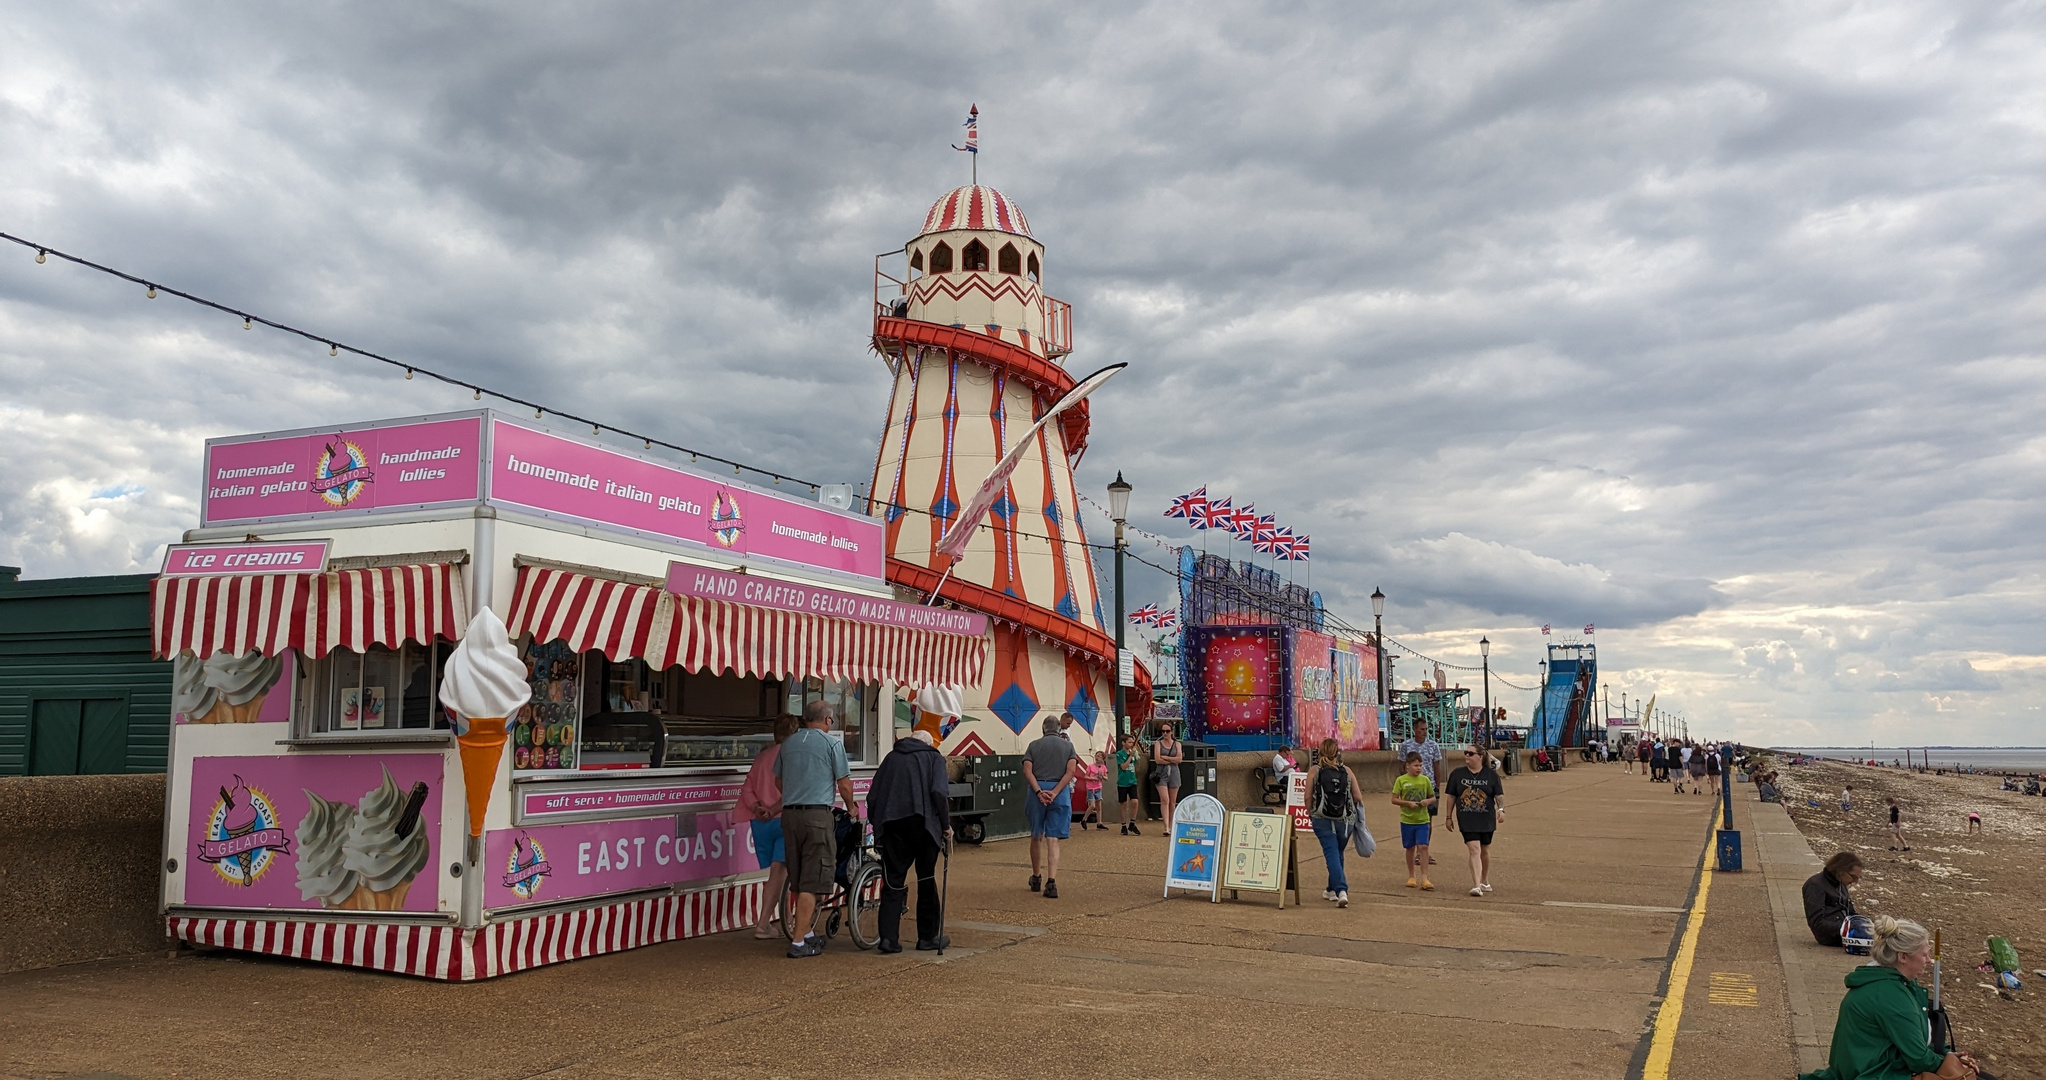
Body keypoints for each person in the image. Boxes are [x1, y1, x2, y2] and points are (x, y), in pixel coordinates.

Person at [1799, 916, 1989, 1080]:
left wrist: (1947, 1054)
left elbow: (1913, 1040)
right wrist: (1948, 1061)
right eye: (1924, 954)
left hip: (1868, 1065)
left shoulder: (1888, 982)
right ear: (1903, 957)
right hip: (1874, 1073)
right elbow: (1918, 1058)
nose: (1929, 960)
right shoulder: (1890, 995)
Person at [775, 701, 860, 959]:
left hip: (790, 815)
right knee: (813, 878)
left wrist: (795, 793)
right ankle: (799, 942)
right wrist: (851, 808)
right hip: (817, 815)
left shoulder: (788, 744)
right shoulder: (832, 744)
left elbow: (778, 780)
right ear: (827, 721)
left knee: (798, 877)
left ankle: (807, 933)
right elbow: (844, 785)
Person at [863, 729, 951, 954]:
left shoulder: (891, 758)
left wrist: (878, 823)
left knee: (893, 880)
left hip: (893, 825)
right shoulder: (933, 758)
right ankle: (927, 937)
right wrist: (945, 825)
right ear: (929, 744)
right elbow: (939, 792)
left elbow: (872, 795)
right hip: (925, 825)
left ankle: (888, 939)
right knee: (926, 878)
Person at [734, 714, 799, 939]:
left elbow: (746, 788)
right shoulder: (791, 757)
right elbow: (792, 790)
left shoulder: (761, 757)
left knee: (778, 873)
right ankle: (763, 924)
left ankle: (786, 917)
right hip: (783, 819)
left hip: (760, 823)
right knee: (779, 873)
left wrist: (757, 808)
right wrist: (773, 809)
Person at [1022, 716, 1080, 899]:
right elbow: (1071, 771)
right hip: (1059, 791)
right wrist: (1054, 792)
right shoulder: (1068, 746)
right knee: (1053, 838)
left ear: (1043, 728)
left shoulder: (1033, 745)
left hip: (1037, 791)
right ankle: (1052, 881)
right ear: (1059, 728)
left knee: (1036, 835)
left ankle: (1036, 876)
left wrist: (1039, 792)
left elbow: (1027, 770)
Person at [1305, 738, 1367, 907]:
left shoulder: (1314, 771)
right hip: (1345, 820)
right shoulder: (1347, 771)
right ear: (1337, 752)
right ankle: (1331, 889)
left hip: (1322, 818)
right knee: (1337, 853)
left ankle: (1341, 890)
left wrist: (1310, 813)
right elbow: (1357, 797)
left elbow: (1308, 796)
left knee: (1331, 853)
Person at [1444, 745, 1505, 897]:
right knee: (1474, 849)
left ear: (1480, 756)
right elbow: (1451, 796)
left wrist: (1501, 809)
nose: (1467, 756)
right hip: (1467, 818)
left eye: (1470, 753)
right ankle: (1476, 885)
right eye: (1465, 753)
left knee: (1484, 850)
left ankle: (1484, 880)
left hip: (1486, 818)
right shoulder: (1457, 774)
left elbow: (1498, 795)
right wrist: (1448, 817)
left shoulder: (1491, 775)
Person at [1396, 719, 1444, 864]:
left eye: (1426, 729)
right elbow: (1401, 765)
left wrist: (1437, 787)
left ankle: (1423, 851)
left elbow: (1437, 766)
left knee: (1427, 820)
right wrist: (1403, 783)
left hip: (1428, 786)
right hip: (1411, 786)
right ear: (1415, 729)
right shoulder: (1406, 745)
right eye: (1421, 729)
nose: (1424, 732)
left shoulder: (1433, 745)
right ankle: (1414, 850)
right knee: (1411, 818)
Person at [1391, 751, 1437, 890]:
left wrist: (1427, 802)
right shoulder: (1401, 780)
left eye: (1420, 765)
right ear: (1408, 766)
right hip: (1407, 820)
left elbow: (1433, 797)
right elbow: (1394, 799)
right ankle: (1411, 875)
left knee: (1423, 846)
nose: (1418, 768)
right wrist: (1407, 803)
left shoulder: (1425, 780)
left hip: (1423, 819)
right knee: (1409, 848)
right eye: (1416, 765)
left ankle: (1424, 877)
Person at [1803, 851, 1862, 947]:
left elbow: (1851, 912)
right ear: (1840, 870)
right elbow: (1816, 922)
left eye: (1858, 878)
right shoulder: (1815, 885)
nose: (1855, 881)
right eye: (1853, 877)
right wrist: (1848, 928)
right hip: (1830, 937)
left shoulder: (1840, 883)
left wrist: (1862, 924)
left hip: (1844, 931)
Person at [1150, 722, 1185, 825]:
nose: (1165, 733)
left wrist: (1166, 757)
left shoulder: (1177, 744)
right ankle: (1166, 826)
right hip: (1161, 773)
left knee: (1172, 802)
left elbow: (1179, 759)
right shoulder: (1158, 743)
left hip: (1174, 773)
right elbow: (1157, 759)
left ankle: (1171, 823)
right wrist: (1172, 760)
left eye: (1167, 731)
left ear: (1171, 732)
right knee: (1165, 799)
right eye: (1163, 731)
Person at [1115, 732, 1143, 835]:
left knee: (1135, 801)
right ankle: (1123, 825)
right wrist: (1130, 757)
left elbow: (1136, 765)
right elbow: (1123, 766)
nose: (1131, 744)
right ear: (1123, 743)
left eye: (1132, 742)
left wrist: (1134, 755)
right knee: (1123, 804)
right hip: (1122, 782)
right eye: (1129, 742)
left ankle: (1132, 822)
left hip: (1132, 781)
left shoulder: (1133, 753)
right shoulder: (1119, 754)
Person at [1077, 751, 1109, 831]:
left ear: (1103, 759)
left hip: (1098, 788)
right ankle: (1084, 819)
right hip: (1091, 788)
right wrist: (1093, 778)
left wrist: (1102, 777)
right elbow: (1086, 776)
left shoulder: (1103, 767)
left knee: (1099, 807)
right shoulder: (1090, 766)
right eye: (1096, 756)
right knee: (1092, 805)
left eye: (1099, 756)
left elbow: (1106, 777)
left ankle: (1099, 823)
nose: (1097, 758)